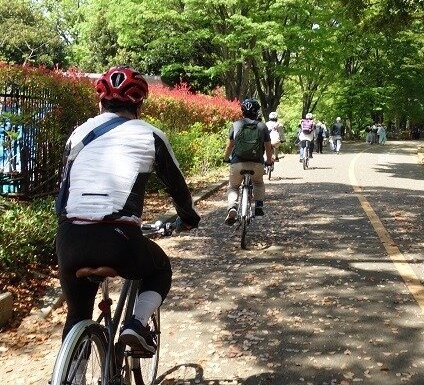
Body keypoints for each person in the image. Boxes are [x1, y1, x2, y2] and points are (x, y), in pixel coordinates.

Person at [55, 66, 200, 356]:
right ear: (139, 104)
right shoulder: (150, 134)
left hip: (69, 239)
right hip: (119, 240)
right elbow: (177, 187)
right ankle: (136, 324)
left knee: (77, 315)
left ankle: (72, 370)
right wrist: (188, 218)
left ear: (100, 102)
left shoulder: (78, 134)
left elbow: (62, 194)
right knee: (159, 269)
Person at [223, 98, 274, 225]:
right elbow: (268, 147)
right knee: (258, 183)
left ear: (242, 111)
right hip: (257, 164)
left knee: (233, 186)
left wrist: (225, 158)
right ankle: (258, 208)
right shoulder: (262, 126)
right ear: (257, 112)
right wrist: (268, 161)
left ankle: (232, 207)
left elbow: (230, 146)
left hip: (237, 163)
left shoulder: (236, 125)